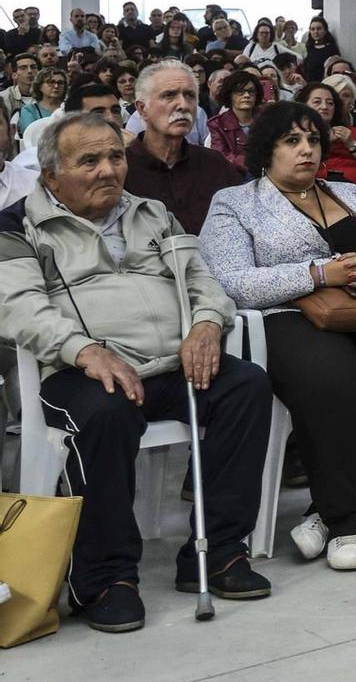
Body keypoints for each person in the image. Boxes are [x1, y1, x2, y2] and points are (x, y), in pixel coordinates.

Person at [0, 112, 274, 631]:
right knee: (107, 411)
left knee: (246, 386)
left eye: (115, 156)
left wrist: (207, 324)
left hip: (170, 362)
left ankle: (217, 551)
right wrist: (84, 350)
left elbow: (201, 279)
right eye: (89, 161)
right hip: (75, 371)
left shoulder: (151, 212)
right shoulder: (17, 225)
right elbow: (18, 307)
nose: (108, 170)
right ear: (51, 175)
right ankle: (105, 578)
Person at [197, 101, 356, 571]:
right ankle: (348, 522)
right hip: (288, 315)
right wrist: (318, 273)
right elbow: (232, 281)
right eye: (291, 141)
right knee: (338, 386)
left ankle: (325, 512)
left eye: (313, 140)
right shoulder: (235, 203)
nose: (307, 150)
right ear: (265, 151)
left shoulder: (353, 194)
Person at [124, 60, 242, 232]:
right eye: (169, 95)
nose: (183, 105)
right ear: (143, 109)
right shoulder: (121, 169)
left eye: (190, 95)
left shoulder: (216, 165)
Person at [298, 79, 356, 194]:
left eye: (330, 103)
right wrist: (325, 143)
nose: (324, 106)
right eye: (317, 102)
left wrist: (351, 144)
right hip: (321, 187)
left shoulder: (355, 133)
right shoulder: (296, 136)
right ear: (303, 105)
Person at [207, 68, 264, 173]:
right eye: (240, 91)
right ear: (230, 94)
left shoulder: (267, 117)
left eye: (251, 91)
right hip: (235, 175)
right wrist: (252, 164)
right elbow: (221, 155)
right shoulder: (217, 124)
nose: (246, 95)